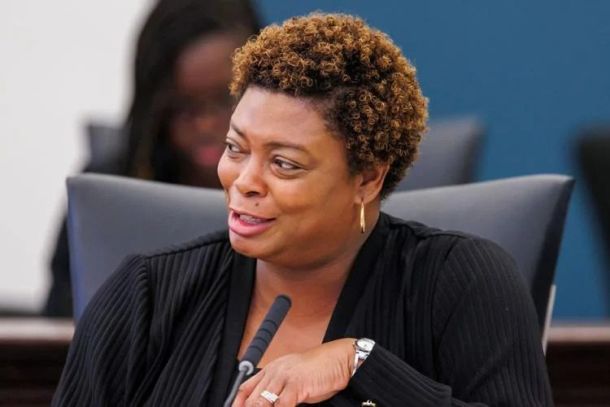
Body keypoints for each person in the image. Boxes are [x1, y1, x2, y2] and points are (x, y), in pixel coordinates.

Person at [53, 13, 553, 406]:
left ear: (367, 178)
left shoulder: (460, 282)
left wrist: (362, 364)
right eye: (235, 148)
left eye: (284, 164)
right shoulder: (145, 294)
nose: (244, 181)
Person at [43, 0, 261, 317]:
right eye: (182, 108)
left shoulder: (300, 187)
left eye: (226, 99)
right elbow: (63, 317)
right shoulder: (109, 189)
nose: (205, 125)